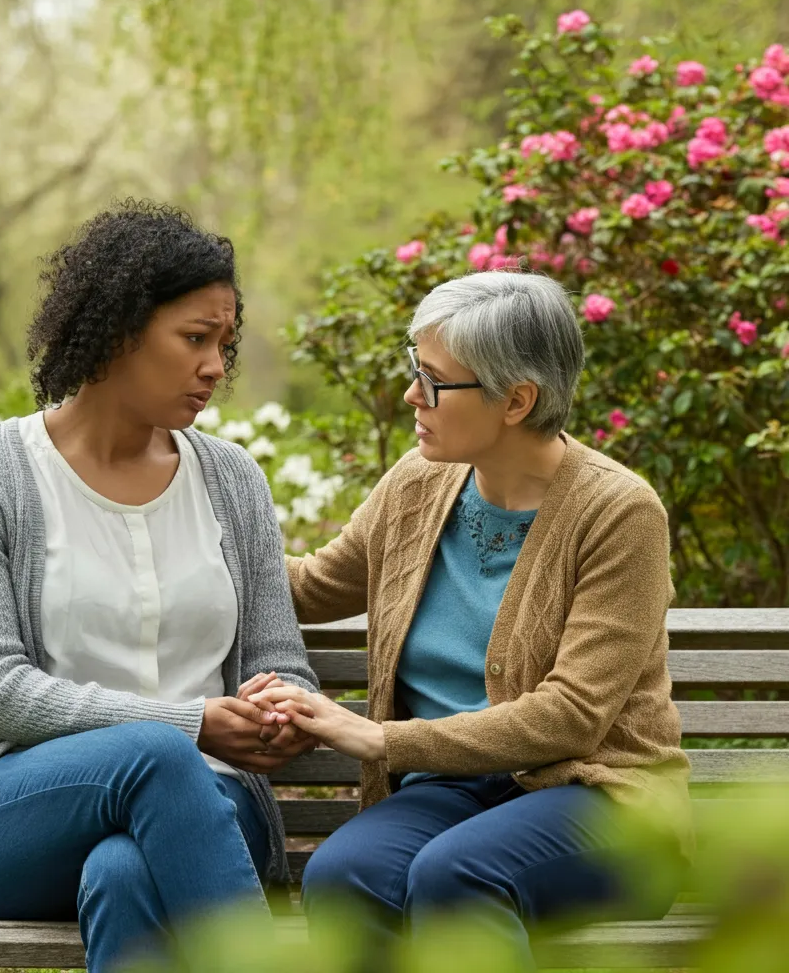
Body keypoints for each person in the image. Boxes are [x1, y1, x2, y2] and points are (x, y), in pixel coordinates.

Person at [0, 200, 318, 972]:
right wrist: (190, 723)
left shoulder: (231, 479)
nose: (215, 368)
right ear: (119, 329)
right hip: (15, 811)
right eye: (195, 338)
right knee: (157, 756)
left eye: (225, 345)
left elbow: (279, 658)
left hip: (216, 807)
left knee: (123, 873)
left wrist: (279, 707)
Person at [249, 270, 691, 968]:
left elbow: (571, 716)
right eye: (412, 371)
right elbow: (309, 587)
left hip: (598, 801)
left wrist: (380, 738)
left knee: (458, 876)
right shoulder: (415, 486)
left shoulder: (619, 514)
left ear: (516, 400)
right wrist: (177, 533)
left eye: (433, 380)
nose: (410, 396)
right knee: (343, 875)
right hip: (453, 795)